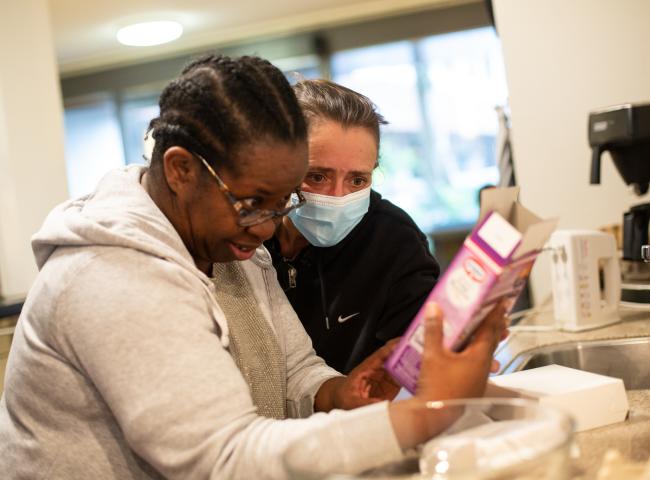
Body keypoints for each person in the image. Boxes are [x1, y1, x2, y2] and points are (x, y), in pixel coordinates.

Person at [0, 55, 507, 479]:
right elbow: (224, 458)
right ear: (180, 170)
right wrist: (426, 414)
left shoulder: (224, 241)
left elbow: (293, 369)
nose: (267, 229)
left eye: (282, 202)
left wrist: (337, 392)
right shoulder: (112, 278)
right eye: (252, 203)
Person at [265, 79, 440, 374]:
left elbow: (421, 356)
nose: (337, 197)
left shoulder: (393, 241)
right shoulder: (244, 237)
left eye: (357, 180)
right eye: (317, 176)